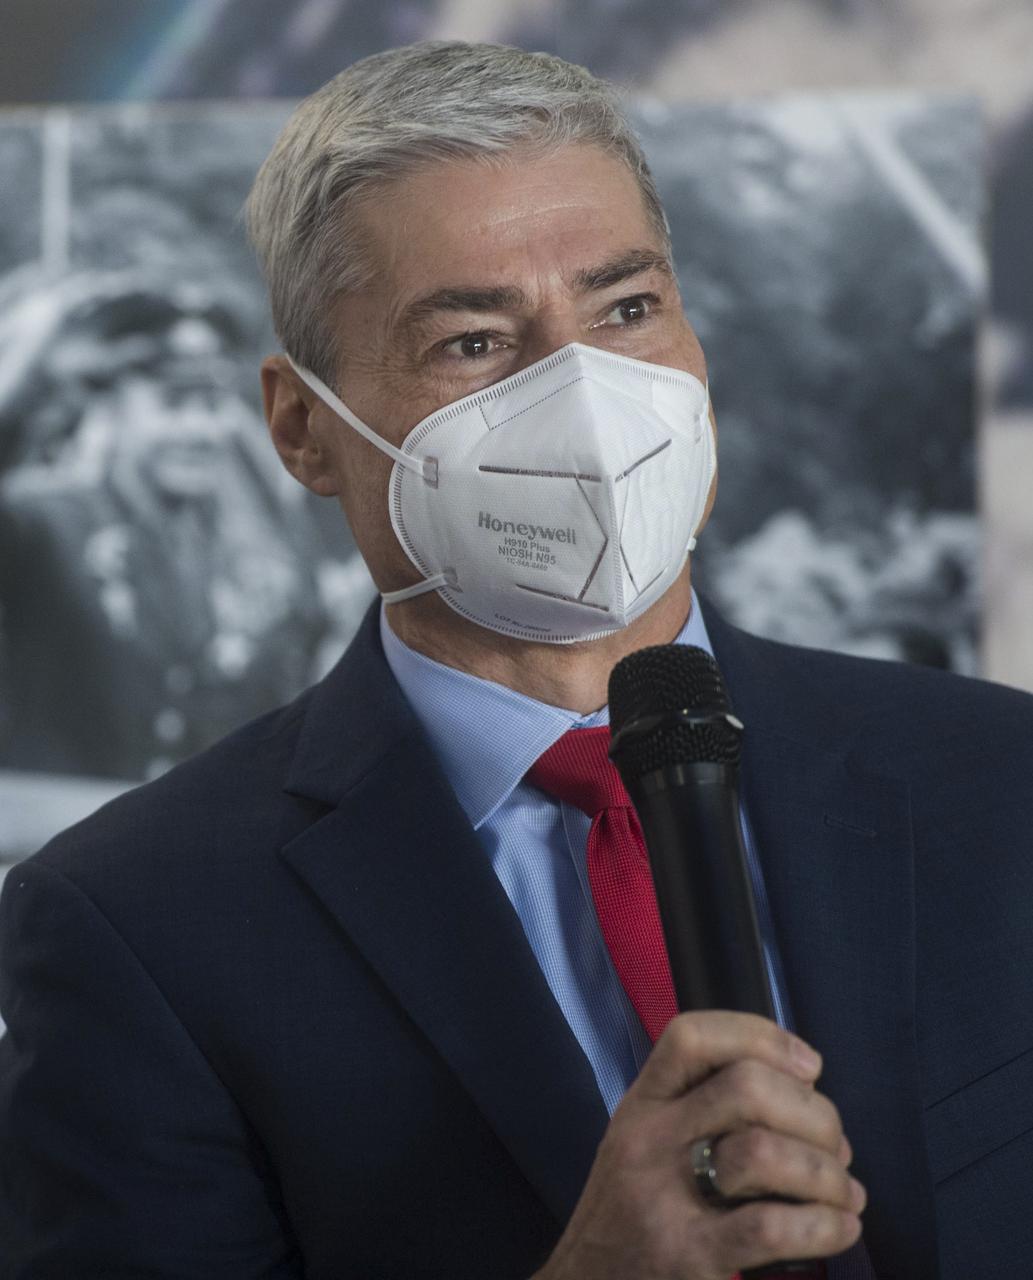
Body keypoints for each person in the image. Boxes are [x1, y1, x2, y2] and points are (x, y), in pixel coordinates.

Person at [1, 41, 1030, 1280]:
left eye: (626, 309)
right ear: (301, 428)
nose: (586, 396)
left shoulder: (996, 775)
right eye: (475, 342)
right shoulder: (132, 927)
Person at [0, 271, 329, 780]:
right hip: (57, 841)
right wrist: (41, 350)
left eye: (214, 405)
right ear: (109, 407)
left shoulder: (262, 550)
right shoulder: (45, 521)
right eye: (173, 404)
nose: (200, 430)